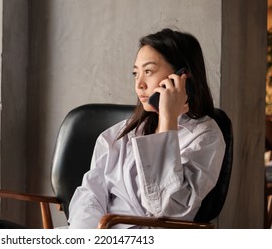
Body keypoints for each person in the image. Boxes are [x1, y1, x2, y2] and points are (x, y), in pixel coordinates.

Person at [67, 28, 226, 229]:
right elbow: (90, 196)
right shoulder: (116, 134)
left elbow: (170, 211)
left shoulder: (205, 136)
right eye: (136, 73)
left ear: (181, 77)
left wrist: (168, 121)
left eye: (148, 71)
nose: (139, 84)